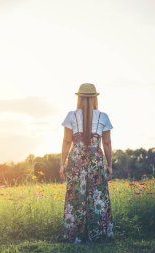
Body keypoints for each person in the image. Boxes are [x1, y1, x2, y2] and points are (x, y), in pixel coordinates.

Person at [59, 83, 114, 243]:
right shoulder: (103, 117)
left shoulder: (71, 116)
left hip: (76, 160)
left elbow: (66, 141)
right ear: (95, 97)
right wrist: (109, 165)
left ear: (79, 98)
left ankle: (74, 236)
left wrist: (62, 163)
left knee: (76, 197)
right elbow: (107, 143)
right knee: (97, 197)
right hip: (96, 160)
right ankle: (98, 236)